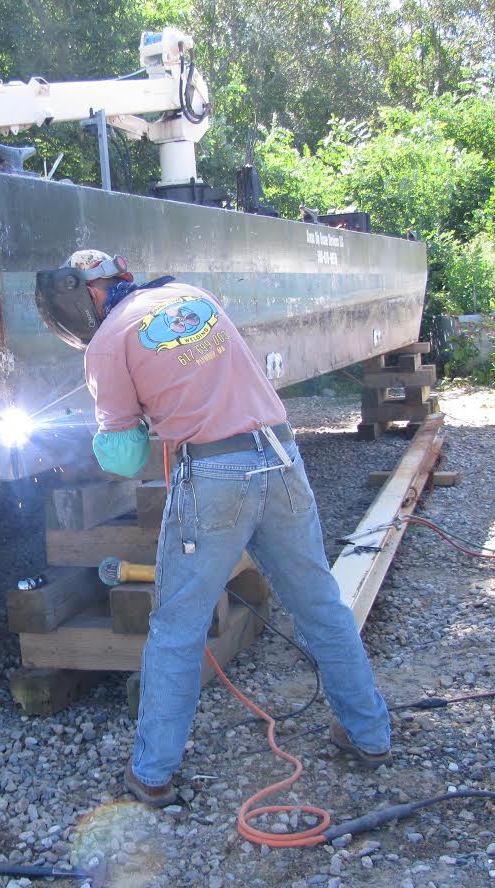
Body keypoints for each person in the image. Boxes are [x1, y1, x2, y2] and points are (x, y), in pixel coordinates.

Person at [63, 248, 392, 807]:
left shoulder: (108, 341)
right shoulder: (194, 296)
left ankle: (152, 775)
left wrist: (112, 425)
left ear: (85, 294)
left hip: (214, 478)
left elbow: (120, 457)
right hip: (281, 455)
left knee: (176, 629)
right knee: (321, 607)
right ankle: (371, 737)